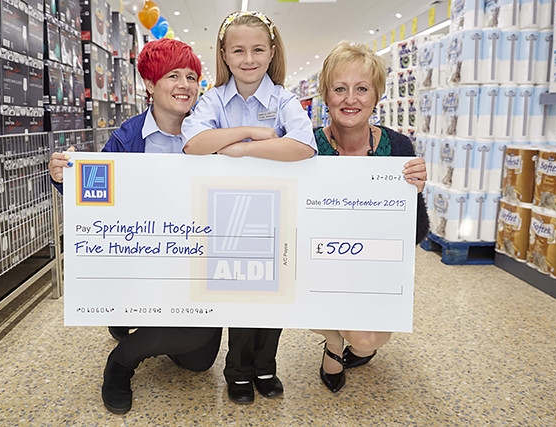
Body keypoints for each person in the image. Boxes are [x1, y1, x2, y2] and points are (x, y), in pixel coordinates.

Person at [48, 38, 223, 415]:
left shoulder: (211, 133)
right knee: (187, 333)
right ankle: (121, 362)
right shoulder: (127, 138)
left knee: (199, 361)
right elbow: (95, 202)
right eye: (172, 75)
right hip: (140, 262)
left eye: (191, 76)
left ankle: (141, 328)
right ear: (149, 83)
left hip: (193, 263)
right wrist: (65, 179)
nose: (185, 85)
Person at [181, 11, 317, 404]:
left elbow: (302, 146)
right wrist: (251, 131)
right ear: (223, 54)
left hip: (276, 216)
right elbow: (194, 144)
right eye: (238, 50)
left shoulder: (284, 99)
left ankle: (266, 365)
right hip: (226, 216)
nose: (248, 59)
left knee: (273, 295)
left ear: (272, 52)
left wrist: (239, 150)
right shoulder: (212, 100)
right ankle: (237, 370)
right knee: (238, 295)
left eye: (258, 49)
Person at [311, 40, 429, 393]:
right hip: (318, 265)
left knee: (367, 340)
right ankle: (332, 343)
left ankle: (349, 340)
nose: (351, 99)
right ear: (325, 95)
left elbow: (419, 232)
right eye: (340, 89)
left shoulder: (399, 148)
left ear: (376, 95)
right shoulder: (307, 147)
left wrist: (414, 194)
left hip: (373, 268)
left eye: (362, 89)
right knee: (301, 299)